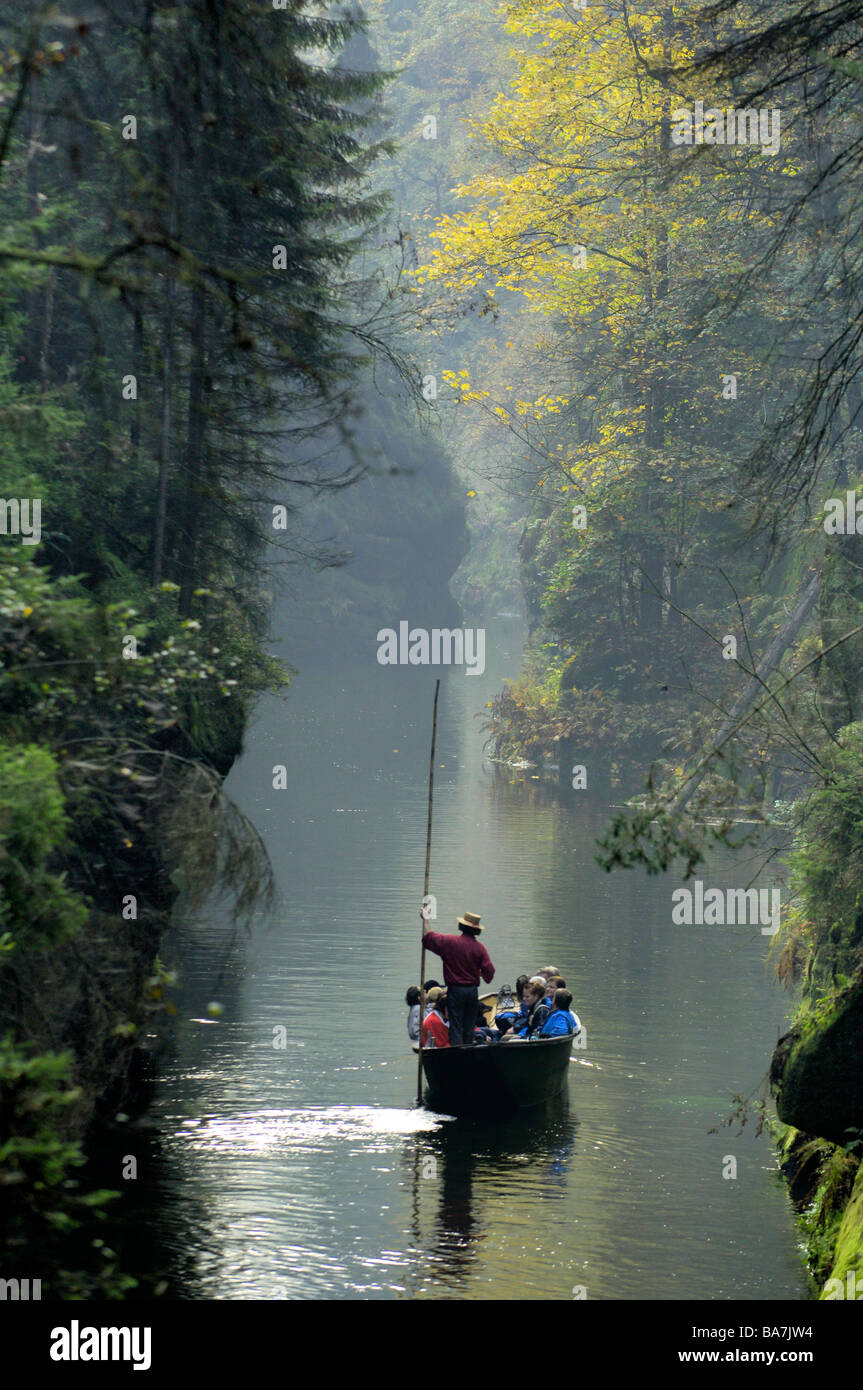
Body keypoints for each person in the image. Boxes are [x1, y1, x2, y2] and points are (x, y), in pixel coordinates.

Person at [421, 907, 495, 1045]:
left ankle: (457, 1054)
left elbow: (429, 937)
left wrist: (425, 918)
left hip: (456, 991)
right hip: (472, 991)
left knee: (456, 1026)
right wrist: (478, 972)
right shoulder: (480, 948)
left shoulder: (450, 942)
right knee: (469, 1026)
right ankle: (467, 1052)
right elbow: (489, 974)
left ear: (461, 926)